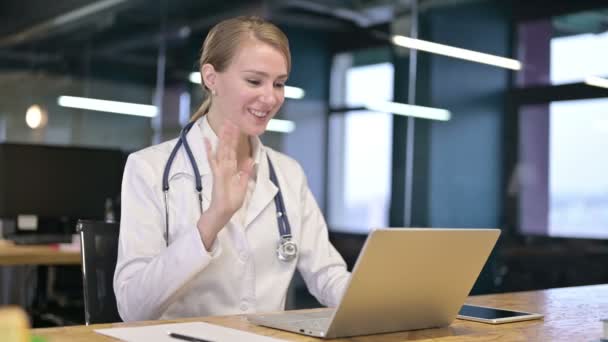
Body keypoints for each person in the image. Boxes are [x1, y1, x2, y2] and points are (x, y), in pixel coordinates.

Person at [113, 16, 350, 322]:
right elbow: (133, 309)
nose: (270, 97)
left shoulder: (288, 173)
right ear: (211, 78)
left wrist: (384, 306)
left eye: (279, 83)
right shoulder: (149, 169)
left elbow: (328, 275)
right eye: (254, 81)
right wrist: (213, 220)